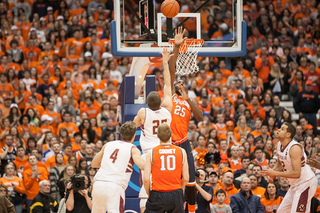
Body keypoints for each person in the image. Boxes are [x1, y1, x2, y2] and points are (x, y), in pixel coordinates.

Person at [133, 48, 173, 212]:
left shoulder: (143, 112)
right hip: (167, 151)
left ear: (147, 104)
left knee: (146, 192)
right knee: (166, 187)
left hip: (149, 154)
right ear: (161, 101)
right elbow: (168, 84)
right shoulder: (168, 107)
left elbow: (133, 125)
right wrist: (165, 61)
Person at [170, 27, 204, 213]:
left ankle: (191, 210)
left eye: (182, 83)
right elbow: (171, 69)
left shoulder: (188, 100)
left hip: (183, 142)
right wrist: (176, 47)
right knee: (172, 180)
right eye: (177, 82)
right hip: (170, 143)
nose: (179, 83)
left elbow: (200, 117)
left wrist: (189, 98)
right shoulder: (169, 96)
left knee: (191, 179)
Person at [261, 122, 317, 213]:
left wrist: (275, 173)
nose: (278, 129)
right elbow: (280, 163)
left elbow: (296, 173)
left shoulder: (294, 148)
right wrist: (270, 173)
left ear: (288, 134)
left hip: (305, 183)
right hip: (295, 184)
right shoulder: (279, 144)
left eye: (282, 129)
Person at [91, 121, 145, 213]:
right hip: (114, 187)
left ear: (121, 134)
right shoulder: (133, 149)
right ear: (134, 135)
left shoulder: (108, 144)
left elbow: (94, 164)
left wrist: (109, 164)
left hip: (98, 184)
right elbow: (142, 165)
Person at [144, 123, 189, 213]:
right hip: (176, 193)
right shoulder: (181, 151)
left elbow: (146, 179)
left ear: (157, 136)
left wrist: (149, 193)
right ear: (171, 134)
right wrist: (180, 189)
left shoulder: (151, 152)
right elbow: (186, 178)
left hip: (157, 193)